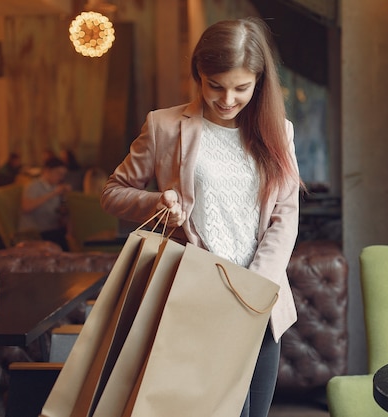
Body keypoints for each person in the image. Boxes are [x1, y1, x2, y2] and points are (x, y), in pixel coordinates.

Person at [100, 17, 302, 417]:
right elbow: (112, 193)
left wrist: (254, 288)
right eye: (216, 86)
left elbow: (285, 213)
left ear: (259, 82)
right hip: (194, 299)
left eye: (241, 88)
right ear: (199, 74)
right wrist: (157, 201)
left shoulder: (279, 130)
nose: (227, 99)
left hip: (259, 304)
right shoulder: (164, 126)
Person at [18, 156, 71, 250]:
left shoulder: (56, 188)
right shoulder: (34, 186)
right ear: (47, 171)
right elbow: (26, 207)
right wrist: (54, 193)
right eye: (58, 173)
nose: (61, 177)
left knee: (70, 236)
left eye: (63, 174)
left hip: (52, 230)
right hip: (36, 233)